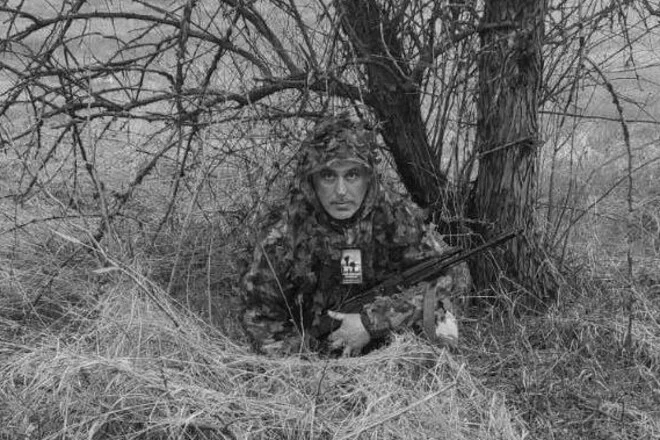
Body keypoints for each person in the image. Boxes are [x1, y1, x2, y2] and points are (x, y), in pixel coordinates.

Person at [242, 114, 470, 356]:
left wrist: (374, 322)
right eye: (328, 176)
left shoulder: (395, 216)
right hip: (314, 348)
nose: (341, 191)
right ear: (311, 181)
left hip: (388, 340)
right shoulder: (283, 234)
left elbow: (454, 277)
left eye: (351, 175)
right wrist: (307, 359)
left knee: (442, 322)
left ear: (368, 177)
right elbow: (258, 316)